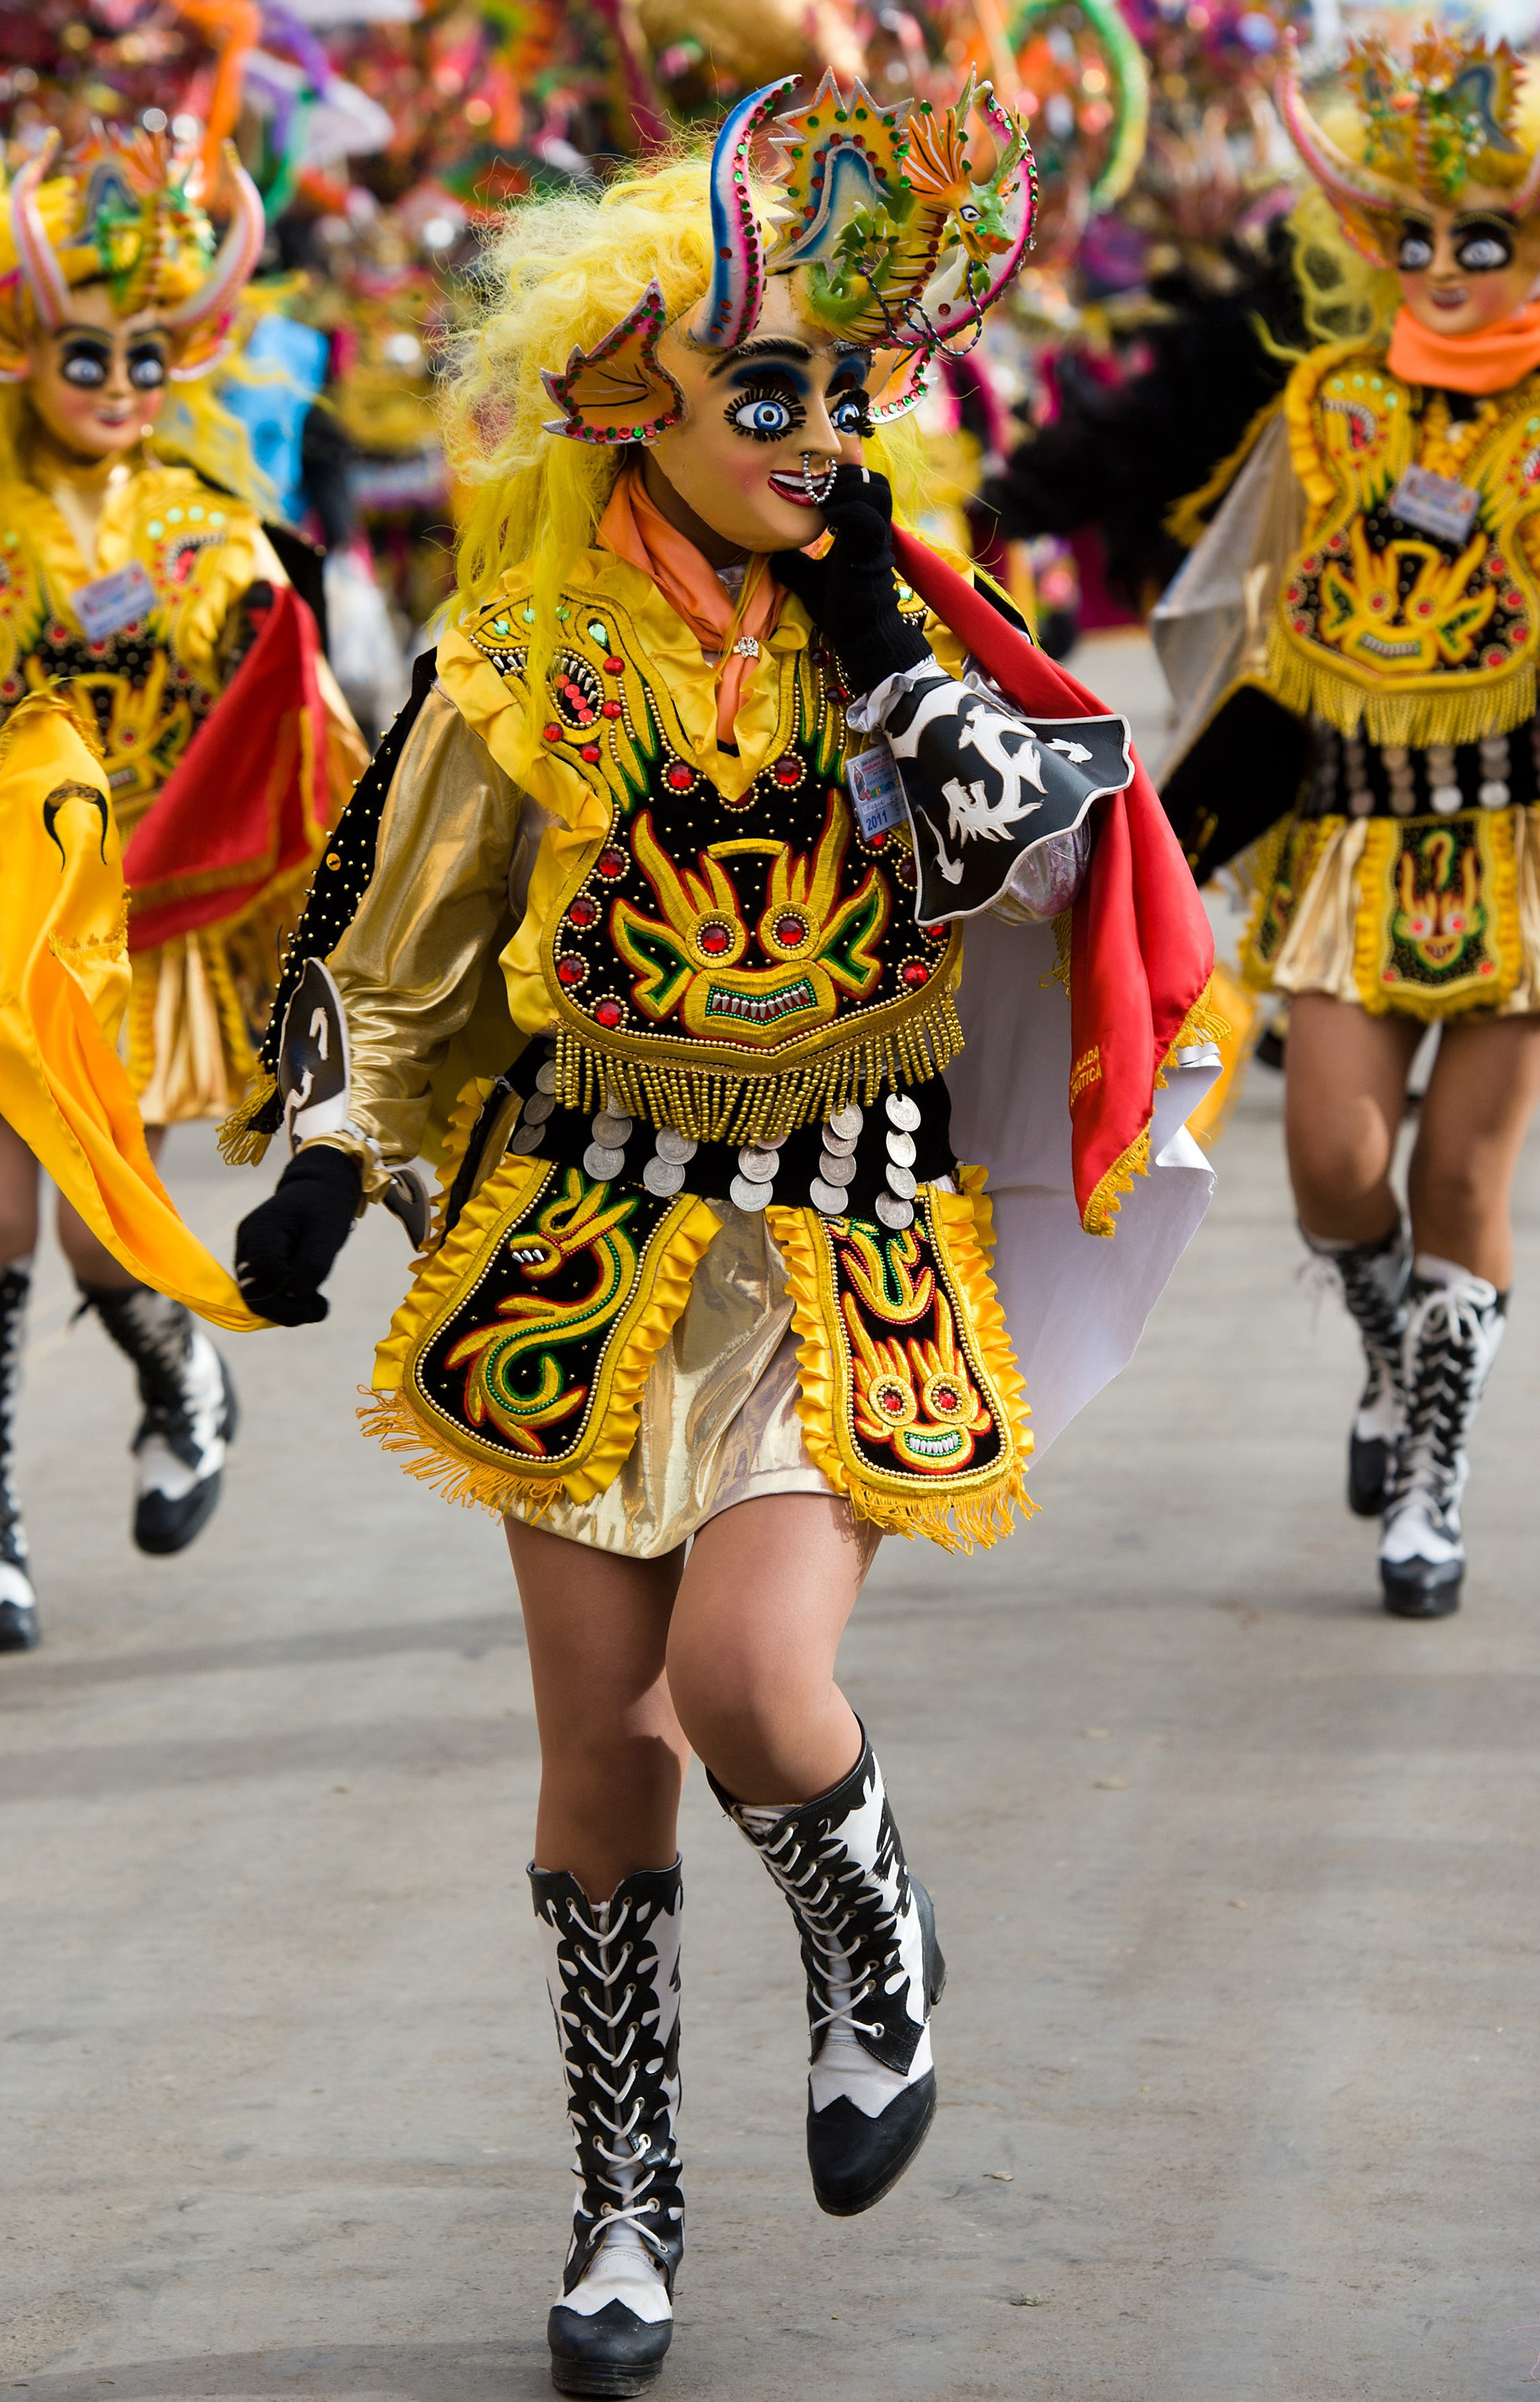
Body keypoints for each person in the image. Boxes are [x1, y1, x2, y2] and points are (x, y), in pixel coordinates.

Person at [231, 74, 1217, 2397]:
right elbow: (417, 947)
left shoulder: (910, 634)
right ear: (627, 401)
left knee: (762, 1690)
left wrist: (880, 631)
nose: (818, 430)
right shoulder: (518, 663)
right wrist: (335, 1161)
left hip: (843, 1250)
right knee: (605, 1757)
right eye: (765, 391)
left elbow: (1026, 860)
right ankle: (626, 2206)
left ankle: (874, 1938)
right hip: (581, 1245)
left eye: (849, 389)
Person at [0, 124, 363, 1653]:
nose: (120, 384)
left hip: (119, 923)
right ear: (17, 352)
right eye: (85, 351)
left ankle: (180, 1373)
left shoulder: (204, 524)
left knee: (92, 1231)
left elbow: (281, 721)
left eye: (147, 354)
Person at [1154, 30, 1540, 1621]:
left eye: (1489, 239)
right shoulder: (1328, 408)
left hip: (1517, 856)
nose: (1446, 269)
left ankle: (1432, 1476)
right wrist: (1173, 835)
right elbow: (1259, 640)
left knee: (1461, 1184)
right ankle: (1393, 1363)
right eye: (1420, 237)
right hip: (1354, 847)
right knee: (1329, 1168)